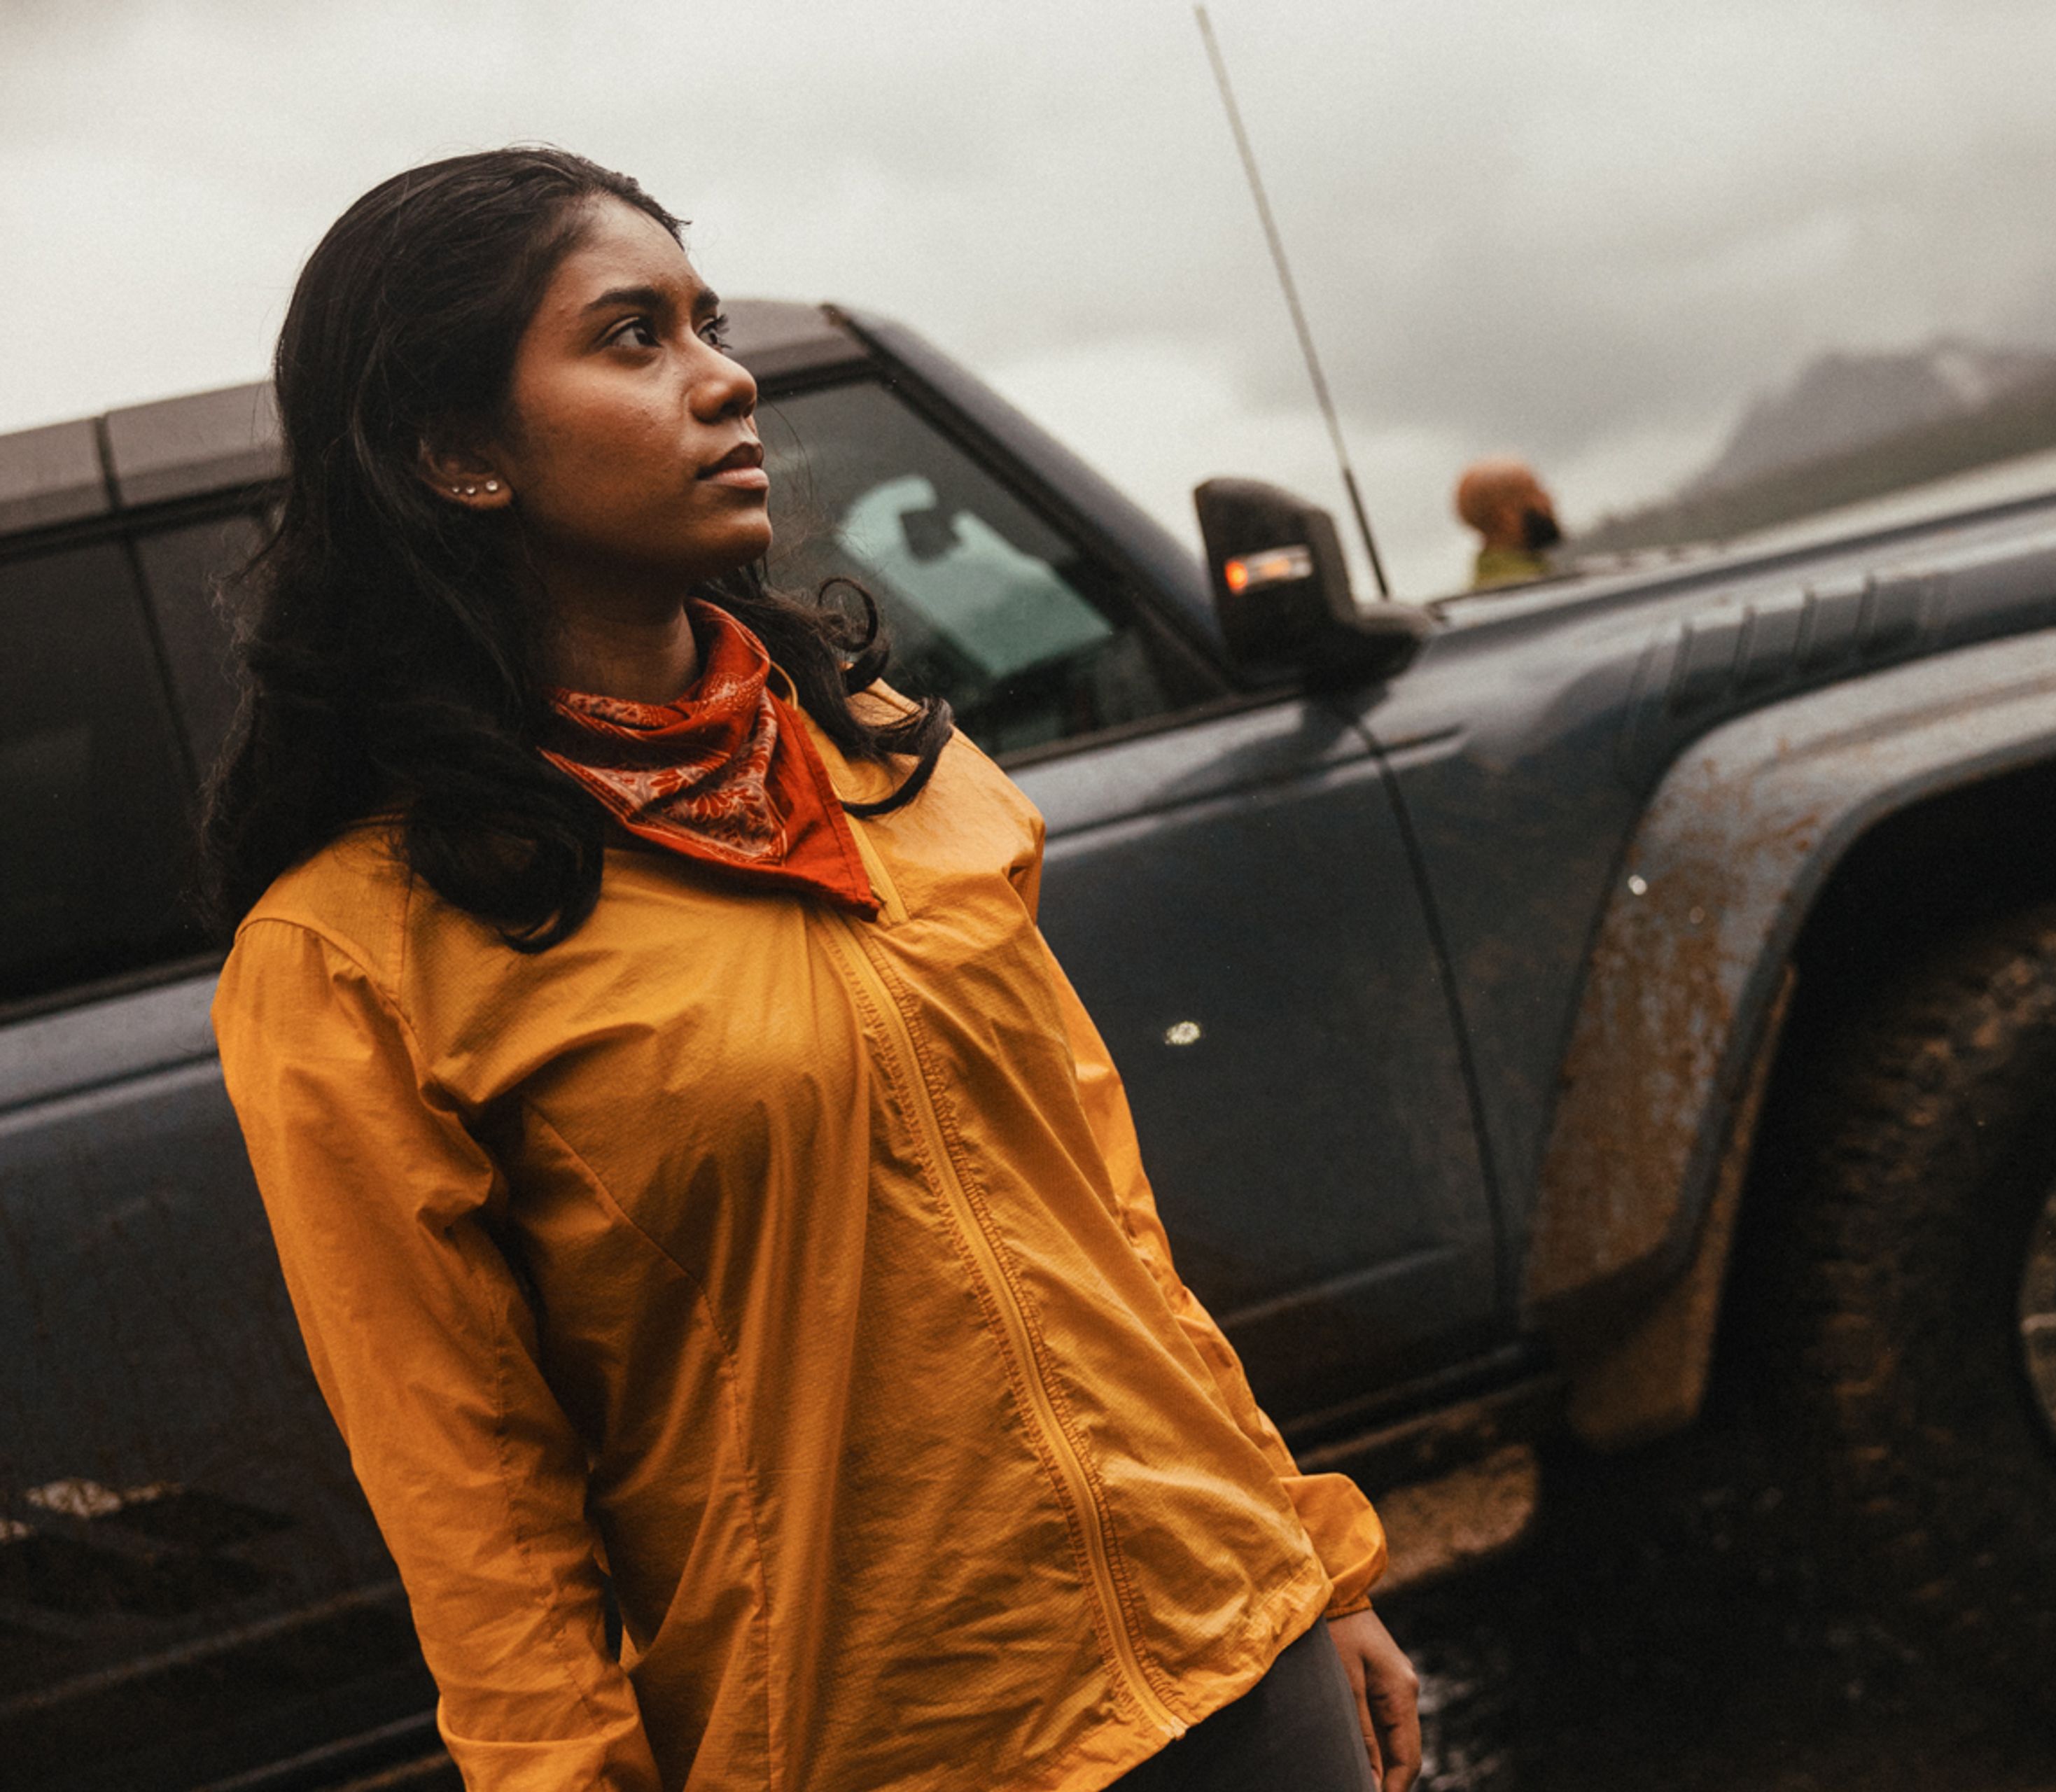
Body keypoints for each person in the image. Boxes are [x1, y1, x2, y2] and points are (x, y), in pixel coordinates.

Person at [204, 148, 1420, 1792]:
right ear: (454, 451)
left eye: (707, 321)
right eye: (633, 338)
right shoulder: (357, 953)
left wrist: (1304, 1554)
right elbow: (471, 1498)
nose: (726, 378)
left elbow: (1110, 1228)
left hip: (1237, 1660)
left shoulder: (902, 767)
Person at [1453, 457, 1562, 590]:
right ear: (1505, 516)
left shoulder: (1480, 594)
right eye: (1536, 493)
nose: (1550, 501)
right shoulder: (1531, 590)